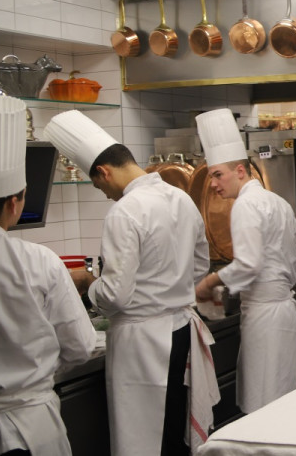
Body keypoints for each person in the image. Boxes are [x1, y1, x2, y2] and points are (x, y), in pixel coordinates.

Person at [44, 110, 218, 456]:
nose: (104, 194)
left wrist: (88, 283)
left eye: (98, 185)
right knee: (173, 435)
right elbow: (201, 265)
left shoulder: (125, 211)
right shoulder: (181, 199)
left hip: (142, 343)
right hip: (180, 333)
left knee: (142, 441)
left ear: (104, 171)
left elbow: (114, 296)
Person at [0, 96, 95, 455]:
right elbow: (80, 346)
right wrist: (33, 372)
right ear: (14, 203)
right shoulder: (40, 261)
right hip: (31, 428)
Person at [193, 108, 296, 413]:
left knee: (263, 404)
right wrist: (278, 276)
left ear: (241, 171)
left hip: (264, 318)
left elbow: (248, 264)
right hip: (284, 313)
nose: (214, 184)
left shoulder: (245, 205)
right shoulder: (276, 200)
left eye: (218, 175)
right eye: (211, 177)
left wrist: (209, 282)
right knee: (284, 399)